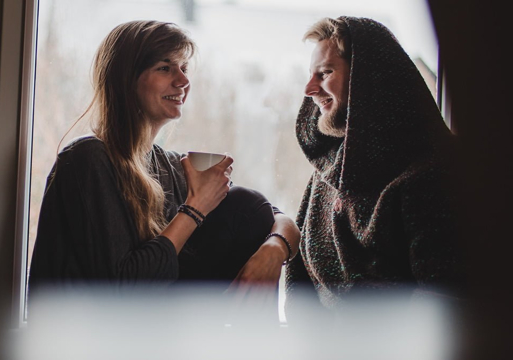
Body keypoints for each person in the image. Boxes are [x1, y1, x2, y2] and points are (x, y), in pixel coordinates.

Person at [27, 20, 300, 318]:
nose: (182, 80)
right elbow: (123, 290)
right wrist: (195, 208)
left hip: (152, 330)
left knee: (247, 208)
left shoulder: (166, 164)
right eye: (165, 68)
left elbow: (273, 216)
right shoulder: (88, 159)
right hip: (93, 335)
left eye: (184, 68)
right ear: (126, 79)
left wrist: (274, 250)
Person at [285, 17, 464, 317]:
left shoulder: (432, 174)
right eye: (310, 74)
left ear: (367, 80)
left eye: (325, 73)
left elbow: (442, 302)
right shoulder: (328, 167)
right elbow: (300, 272)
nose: (309, 88)